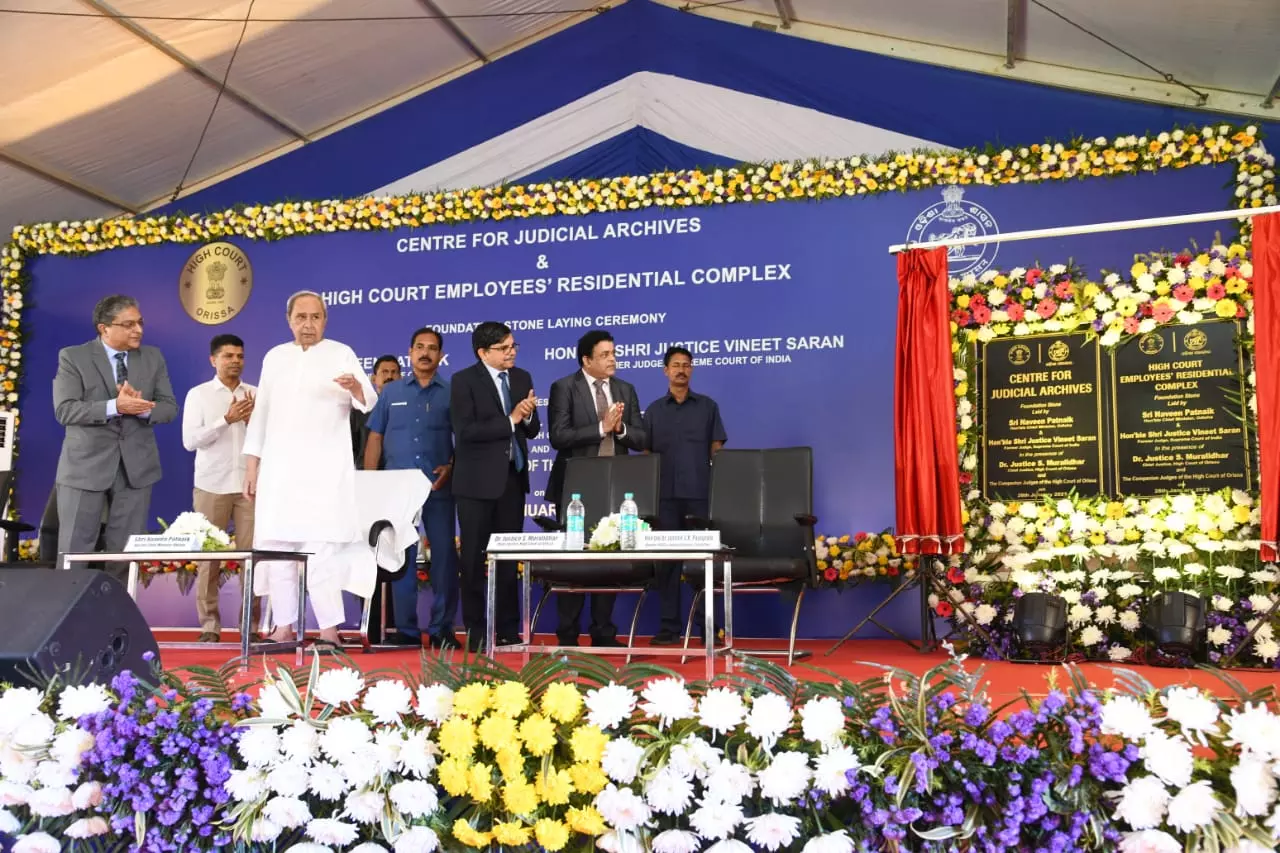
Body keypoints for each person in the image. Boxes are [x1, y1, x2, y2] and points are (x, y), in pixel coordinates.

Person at [243, 291, 377, 647]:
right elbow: (261, 414)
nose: (308, 324)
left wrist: (355, 386)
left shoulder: (340, 353)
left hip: (323, 471)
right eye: (301, 317)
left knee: (321, 551)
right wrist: (252, 466)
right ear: (289, 320)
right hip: (279, 471)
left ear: (325, 320)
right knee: (277, 547)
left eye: (315, 317)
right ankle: (283, 628)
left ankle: (329, 631)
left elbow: (368, 401)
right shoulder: (275, 357)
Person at [53, 294, 178, 583]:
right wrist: (115, 406)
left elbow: (169, 408)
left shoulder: (153, 357)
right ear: (104, 328)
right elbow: (65, 410)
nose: (138, 330)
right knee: (75, 551)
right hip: (85, 467)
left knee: (124, 554)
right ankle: (67, 609)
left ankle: (117, 610)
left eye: (140, 323)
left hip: (136, 469)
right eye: (129, 324)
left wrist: (142, 408)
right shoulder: (73, 357)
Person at [547, 329, 647, 647]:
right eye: (604, 355)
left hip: (614, 487)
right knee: (574, 561)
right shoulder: (565, 387)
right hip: (575, 489)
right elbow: (559, 436)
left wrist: (621, 429)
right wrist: (600, 428)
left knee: (609, 558)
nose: (612, 359)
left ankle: (603, 632)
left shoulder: (625, 389)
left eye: (613, 353)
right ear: (586, 360)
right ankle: (568, 634)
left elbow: (643, 438)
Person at [364, 328, 460, 650]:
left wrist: (452, 465)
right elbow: (375, 437)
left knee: (444, 557)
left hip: (438, 486)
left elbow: (464, 438)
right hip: (397, 490)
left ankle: (441, 629)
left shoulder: (452, 392)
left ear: (440, 355)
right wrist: (372, 483)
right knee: (401, 558)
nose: (425, 353)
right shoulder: (391, 392)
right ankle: (405, 630)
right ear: (410, 352)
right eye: (419, 347)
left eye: (432, 348)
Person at [450, 321, 539, 652]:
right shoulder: (463, 381)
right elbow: (466, 431)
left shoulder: (522, 377)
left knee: (508, 558)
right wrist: (511, 419)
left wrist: (527, 416)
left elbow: (532, 429)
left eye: (513, 346)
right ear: (483, 353)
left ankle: (507, 629)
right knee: (474, 560)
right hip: (475, 484)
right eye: (504, 348)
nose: (511, 352)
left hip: (512, 480)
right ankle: (476, 630)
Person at [642, 345, 727, 645]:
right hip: (664, 497)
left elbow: (716, 449)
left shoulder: (707, 407)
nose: (681, 370)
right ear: (665, 370)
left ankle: (708, 628)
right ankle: (669, 629)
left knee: (704, 564)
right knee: (667, 565)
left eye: (687, 365)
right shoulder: (654, 410)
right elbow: (646, 453)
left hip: (699, 495)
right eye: (676, 365)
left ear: (692, 369)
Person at [181, 333, 259, 642]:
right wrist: (225, 420)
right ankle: (209, 627)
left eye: (240, 356)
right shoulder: (199, 395)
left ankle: (250, 627)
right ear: (213, 360)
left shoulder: (255, 394)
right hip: (211, 485)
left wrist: (252, 422)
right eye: (228, 356)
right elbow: (190, 441)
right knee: (208, 560)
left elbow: (270, 441)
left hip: (250, 486)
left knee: (252, 559)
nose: (235, 361)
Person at [352, 355, 401, 469]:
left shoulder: (408, 408)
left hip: (399, 472)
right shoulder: (360, 409)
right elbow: (351, 447)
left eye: (394, 372)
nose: (389, 376)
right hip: (366, 474)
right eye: (384, 372)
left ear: (400, 378)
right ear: (373, 378)